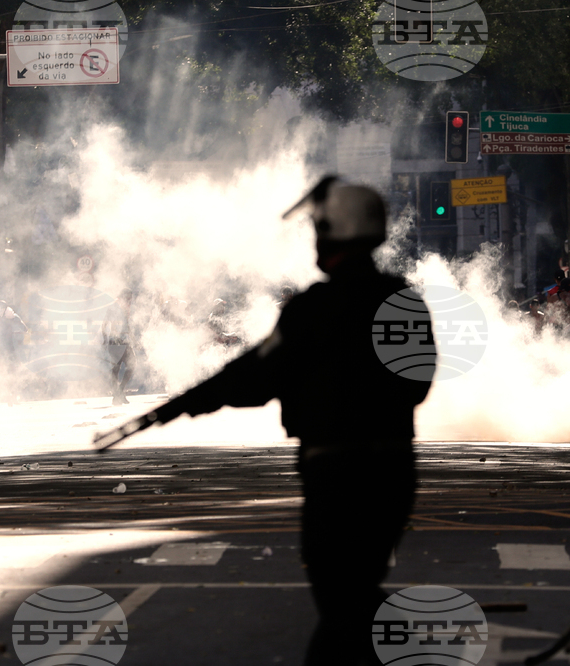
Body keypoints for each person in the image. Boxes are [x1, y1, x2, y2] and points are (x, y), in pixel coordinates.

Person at [98, 177, 436, 665]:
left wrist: (183, 405)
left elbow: (254, 376)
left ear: (335, 231)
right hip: (394, 472)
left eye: (319, 229)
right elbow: (417, 385)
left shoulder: (313, 308)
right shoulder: (402, 300)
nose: (315, 239)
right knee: (355, 595)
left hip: (335, 475)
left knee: (342, 601)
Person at [102, 289, 135, 405]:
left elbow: (127, 325)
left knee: (129, 366)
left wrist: (133, 339)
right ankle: (118, 394)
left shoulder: (125, 307)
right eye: (129, 297)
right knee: (116, 369)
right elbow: (105, 323)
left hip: (123, 341)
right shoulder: (115, 306)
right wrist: (105, 339)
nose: (130, 300)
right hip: (116, 341)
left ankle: (119, 393)